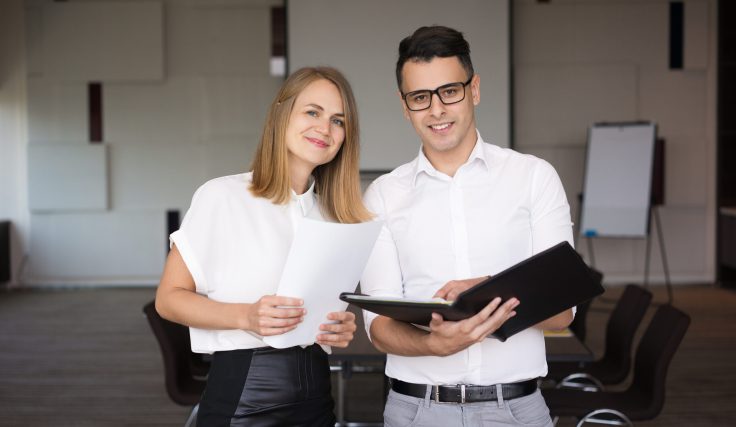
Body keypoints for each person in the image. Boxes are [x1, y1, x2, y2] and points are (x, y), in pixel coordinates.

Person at [360, 26, 574, 427]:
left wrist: (483, 292)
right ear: (405, 106)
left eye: (450, 91)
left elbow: (562, 311)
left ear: (473, 89)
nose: (436, 109)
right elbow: (379, 327)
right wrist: (434, 345)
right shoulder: (384, 195)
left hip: (516, 410)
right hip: (415, 411)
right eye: (420, 97)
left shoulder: (533, 178)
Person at [156, 66, 371, 426]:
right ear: (281, 113)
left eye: (339, 121)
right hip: (245, 391)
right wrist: (245, 316)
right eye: (312, 112)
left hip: (317, 390)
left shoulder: (336, 215)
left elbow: (320, 313)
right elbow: (168, 298)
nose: (325, 128)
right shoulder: (222, 196)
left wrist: (338, 327)